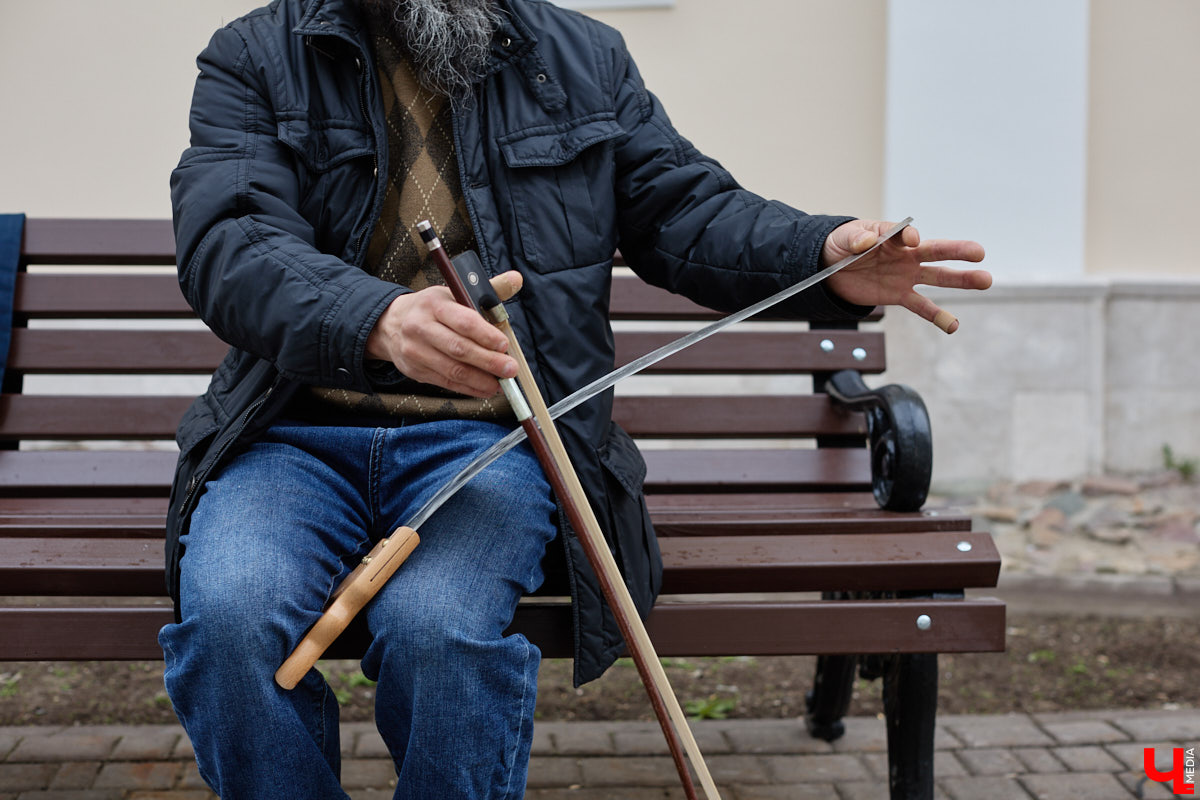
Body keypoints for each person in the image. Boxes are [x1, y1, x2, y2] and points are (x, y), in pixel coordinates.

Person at [158, 0, 992, 797]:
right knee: (231, 624)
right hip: (294, 436)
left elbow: (688, 211)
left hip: (492, 442)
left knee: (440, 633)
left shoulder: (582, 58)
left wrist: (818, 252)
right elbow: (231, 238)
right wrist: (377, 320)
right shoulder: (257, 54)